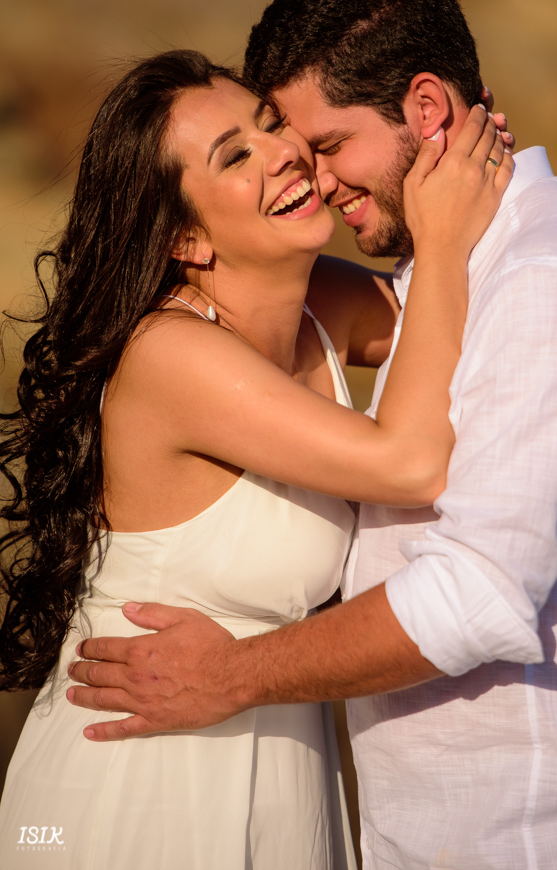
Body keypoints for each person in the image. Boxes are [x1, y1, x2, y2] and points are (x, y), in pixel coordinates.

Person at [65, 0, 557, 870]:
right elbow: (409, 422)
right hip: (163, 770)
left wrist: (237, 676)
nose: (306, 171)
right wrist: (445, 243)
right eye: (258, 148)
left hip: (520, 844)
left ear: (426, 111)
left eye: (318, 144)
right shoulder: (414, 284)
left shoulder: (544, 284)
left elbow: (473, 594)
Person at [0, 46, 510, 869]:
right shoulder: (171, 354)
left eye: (271, 125)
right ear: (186, 239)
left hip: (278, 764)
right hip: (134, 783)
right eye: (235, 156)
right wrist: (443, 239)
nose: (281, 152)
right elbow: (411, 461)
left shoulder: (324, 308)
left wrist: (456, 163)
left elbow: (471, 325)